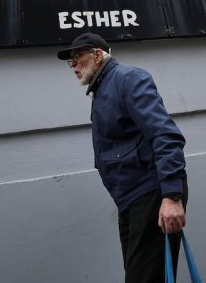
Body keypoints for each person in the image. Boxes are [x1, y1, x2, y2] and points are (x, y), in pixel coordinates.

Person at [58, 32, 188, 283]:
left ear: (97, 55)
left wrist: (171, 196)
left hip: (150, 195)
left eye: (77, 57)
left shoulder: (127, 79)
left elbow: (165, 135)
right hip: (130, 202)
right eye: (70, 60)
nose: (72, 65)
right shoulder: (103, 90)